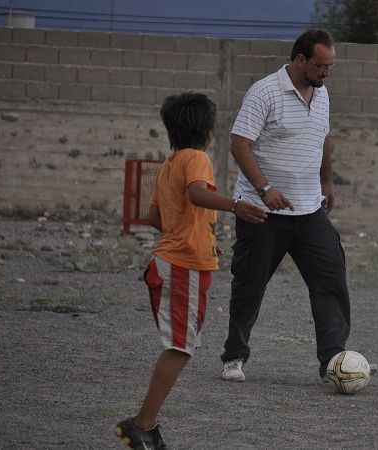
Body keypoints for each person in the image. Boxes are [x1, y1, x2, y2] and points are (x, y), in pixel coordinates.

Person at [113, 92, 266, 449]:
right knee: (181, 347)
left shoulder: (171, 162)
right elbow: (198, 195)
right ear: (209, 131)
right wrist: (236, 205)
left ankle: (144, 425)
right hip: (181, 267)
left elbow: (156, 217)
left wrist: (197, 236)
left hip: (176, 262)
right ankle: (142, 425)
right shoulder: (197, 158)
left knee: (182, 344)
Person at [220, 29, 351, 383]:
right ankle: (234, 357)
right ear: (300, 60)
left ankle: (334, 361)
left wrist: (326, 180)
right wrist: (263, 189)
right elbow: (239, 143)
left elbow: (322, 138)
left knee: (331, 279)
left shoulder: (322, 95)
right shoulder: (264, 92)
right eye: (322, 66)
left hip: (310, 212)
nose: (327, 73)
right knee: (249, 284)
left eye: (331, 66)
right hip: (262, 212)